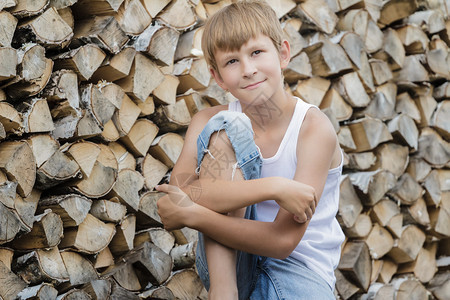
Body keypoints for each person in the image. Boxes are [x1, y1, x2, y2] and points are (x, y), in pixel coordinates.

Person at [156, 1, 345, 299]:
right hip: (230, 265)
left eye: (256, 53)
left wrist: (193, 215)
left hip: (298, 270)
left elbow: (282, 240)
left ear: (283, 53)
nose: (248, 70)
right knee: (229, 124)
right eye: (231, 62)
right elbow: (176, 198)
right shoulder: (207, 122)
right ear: (217, 77)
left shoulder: (312, 129)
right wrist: (274, 187)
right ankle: (223, 293)